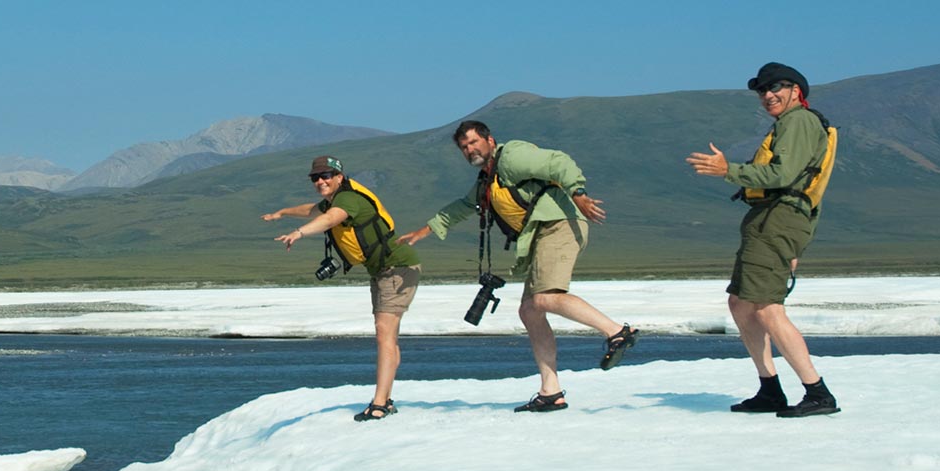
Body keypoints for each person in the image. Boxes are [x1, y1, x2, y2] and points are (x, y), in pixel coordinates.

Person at [395, 120, 637, 413]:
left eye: (473, 142)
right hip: (540, 235)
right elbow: (462, 206)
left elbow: (559, 161)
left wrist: (578, 194)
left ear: (489, 140)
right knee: (529, 310)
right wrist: (425, 230)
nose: (469, 149)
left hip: (559, 223)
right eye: (464, 147)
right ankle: (551, 391)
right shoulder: (487, 180)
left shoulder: (511, 157)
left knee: (546, 298)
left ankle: (616, 331)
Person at [686, 62, 840, 418]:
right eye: (762, 91)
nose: (768, 95)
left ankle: (817, 392)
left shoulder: (798, 121)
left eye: (776, 88)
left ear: (796, 91)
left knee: (768, 309)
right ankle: (770, 389)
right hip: (771, 220)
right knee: (741, 303)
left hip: (777, 218)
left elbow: (783, 173)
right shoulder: (790, 123)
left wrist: (729, 171)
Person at [263, 155, 422, 422]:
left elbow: (329, 220)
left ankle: (380, 403)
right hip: (387, 270)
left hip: (397, 268)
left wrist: (299, 233)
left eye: (326, 176)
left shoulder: (348, 200)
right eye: (316, 177)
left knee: (384, 334)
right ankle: (386, 398)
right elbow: (313, 211)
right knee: (388, 336)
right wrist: (282, 213)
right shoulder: (334, 199)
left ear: (339, 176)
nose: (321, 181)